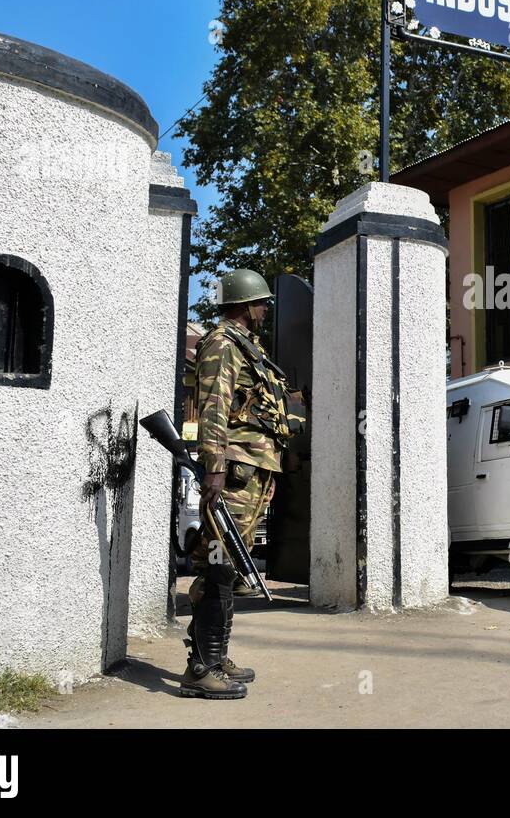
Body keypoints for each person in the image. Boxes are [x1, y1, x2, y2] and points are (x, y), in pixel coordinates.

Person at [180, 268, 300, 699]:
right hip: (233, 469)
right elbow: (213, 405)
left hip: (253, 468)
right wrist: (212, 464)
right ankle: (202, 667)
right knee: (217, 563)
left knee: (228, 566)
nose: (266, 309)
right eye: (261, 302)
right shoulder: (221, 344)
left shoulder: (248, 347)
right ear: (246, 305)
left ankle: (214, 653)